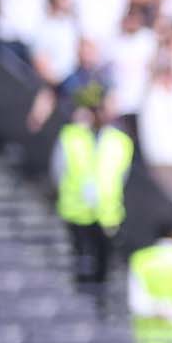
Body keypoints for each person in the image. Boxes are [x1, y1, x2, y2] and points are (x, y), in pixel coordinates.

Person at [54, 100, 133, 305]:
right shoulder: (72, 136)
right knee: (82, 256)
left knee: (103, 259)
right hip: (76, 208)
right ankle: (83, 294)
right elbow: (58, 169)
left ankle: (99, 297)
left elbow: (122, 174)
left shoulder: (120, 141)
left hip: (107, 211)